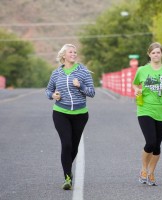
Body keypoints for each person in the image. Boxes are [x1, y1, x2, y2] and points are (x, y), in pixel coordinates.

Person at [45, 44, 95, 190]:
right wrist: (52, 95)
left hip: (80, 114)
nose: (73, 54)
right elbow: (48, 90)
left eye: (75, 52)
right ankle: (67, 177)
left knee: (74, 147)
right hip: (60, 112)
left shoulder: (83, 72)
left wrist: (80, 86)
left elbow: (92, 92)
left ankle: (68, 170)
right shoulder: (56, 73)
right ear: (64, 56)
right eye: (70, 52)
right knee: (66, 144)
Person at [132, 42, 162, 186]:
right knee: (151, 142)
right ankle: (143, 169)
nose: (156, 55)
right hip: (145, 109)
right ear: (149, 54)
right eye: (153, 53)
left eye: (158, 52)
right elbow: (135, 84)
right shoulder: (142, 70)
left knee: (157, 146)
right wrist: (136, 90)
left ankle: (151, 172)